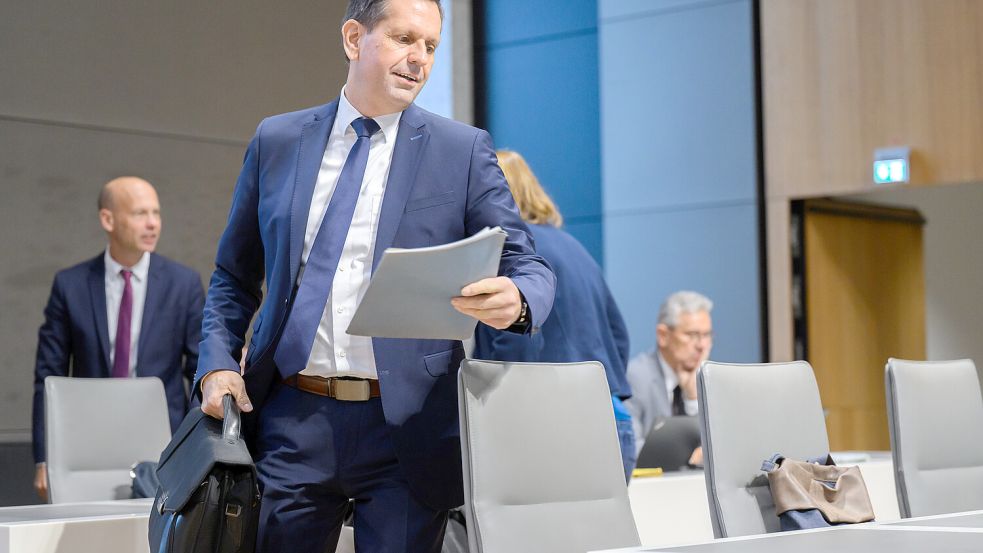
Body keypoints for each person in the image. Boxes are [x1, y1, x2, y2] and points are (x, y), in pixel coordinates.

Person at [194, 1, 555, 551]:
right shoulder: (279, 141)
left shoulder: (461, 150)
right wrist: (217, 363)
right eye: (404, 39)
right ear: (353, 38)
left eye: (431, 46)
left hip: (407, 426)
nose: (419, 59)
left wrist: (519, 297)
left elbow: (527, 263)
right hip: (293, 416)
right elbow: (232, 276)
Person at [31, 176, 204, 501]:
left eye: (156, 213)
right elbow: (47, 377)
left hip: (163, 441)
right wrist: (44, 458)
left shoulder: (184, 285)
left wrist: (194, 450)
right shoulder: (71, 286)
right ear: (107, 219)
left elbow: (198, 373)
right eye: (140, 213)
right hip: (86, 444)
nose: (153, 224)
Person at [473, 150, 636, 481]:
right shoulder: (574, 247)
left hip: (551, 425)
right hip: (612, 418)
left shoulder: (513, 257)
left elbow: (513, 344)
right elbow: (619, 335)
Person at [624, 291, 713, 464]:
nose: (702, 345)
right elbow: (629, 447)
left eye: (707, 335)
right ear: (663, 335)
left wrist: (693, 400)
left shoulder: (710, 378)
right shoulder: (635, 377)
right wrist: (686, 457)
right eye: (692, 335)